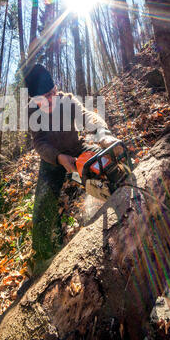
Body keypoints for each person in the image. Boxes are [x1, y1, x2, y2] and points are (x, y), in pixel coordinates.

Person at [24, 64, 120, 276]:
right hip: (52, 159)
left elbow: (86, 115)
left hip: (76, 148)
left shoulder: (66, 100)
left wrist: (102, 132)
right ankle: (44, 255)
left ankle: (121, 193)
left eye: (52, 94)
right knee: (42, 204)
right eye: (43, 98)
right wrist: (58, 158)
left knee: (108, 161)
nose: (50, 100)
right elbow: (39, 143)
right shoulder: (31, 111)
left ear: (56, 89)